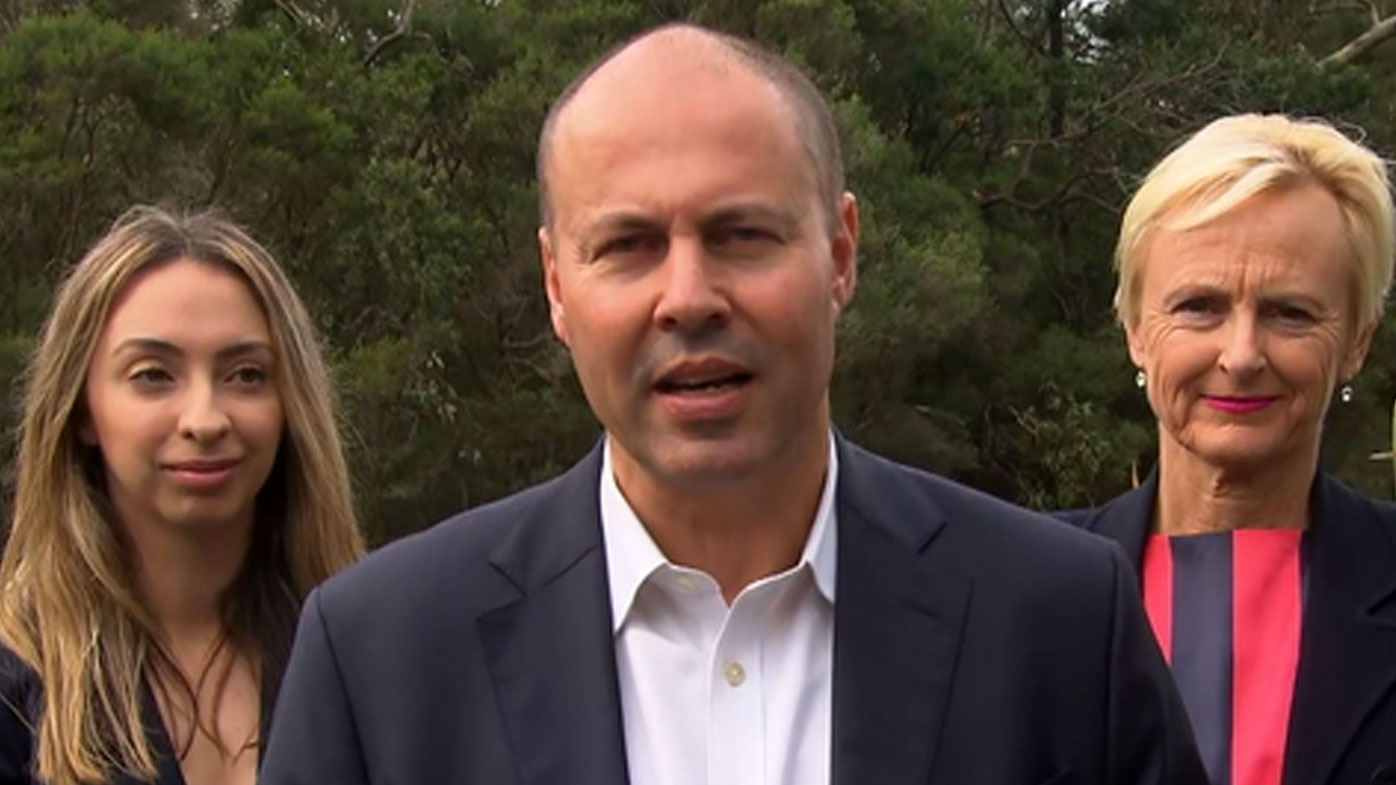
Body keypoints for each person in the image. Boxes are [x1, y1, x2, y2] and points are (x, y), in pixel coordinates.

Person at [260, 23, 1206, 785]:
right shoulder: (381, 657)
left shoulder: (1059, 623)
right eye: (627, 245)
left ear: (840, 254)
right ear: (556, 284)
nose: (688, 296)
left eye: (742, 234)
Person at [1060, 114, 1396, 785]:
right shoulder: (1017, 591)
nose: (1241, 356)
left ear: (1357, 340)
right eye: (1198, 306)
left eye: (1290, 313)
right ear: (1134, 329)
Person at [0, 206, 364, 785]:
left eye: (246, 374)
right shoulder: (17, 683)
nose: (205, 419)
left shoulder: (370, 652)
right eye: (153, 375)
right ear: (81, 412)